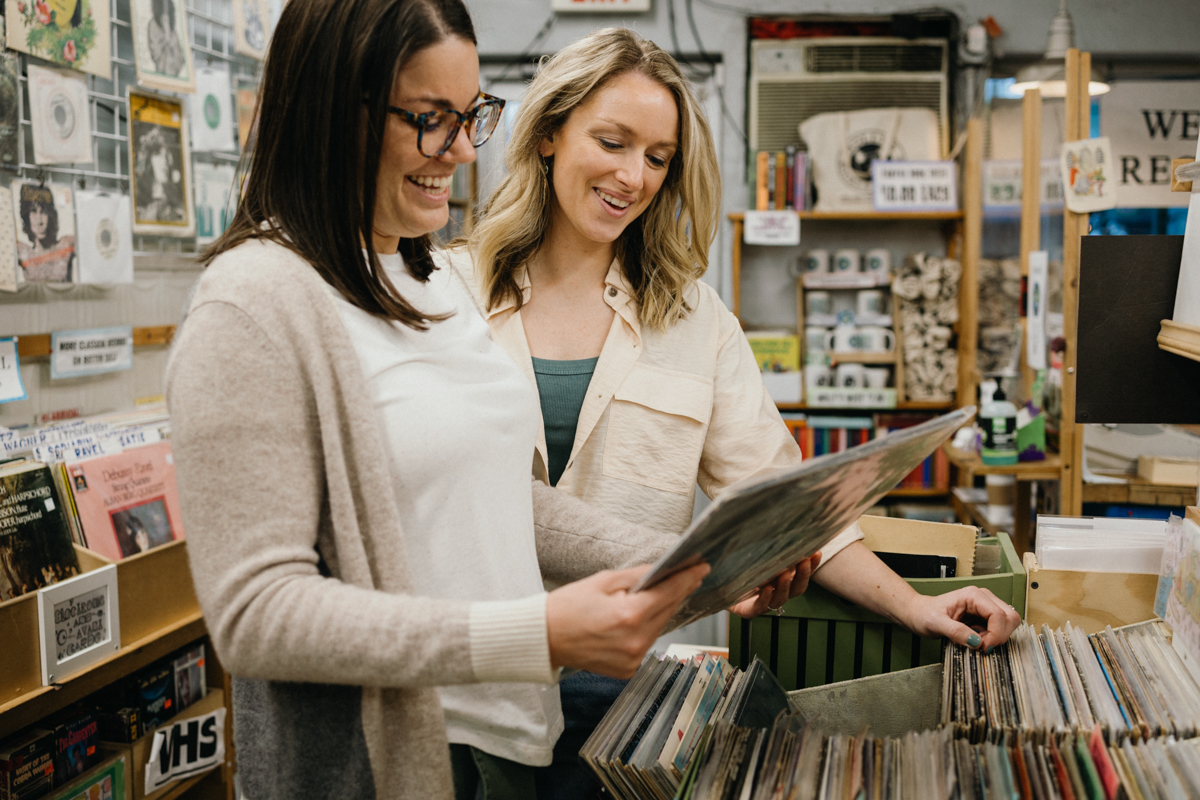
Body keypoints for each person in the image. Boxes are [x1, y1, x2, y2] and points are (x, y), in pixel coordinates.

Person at [165, 3, 719, 799]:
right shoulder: (254, 306)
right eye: (431, 120)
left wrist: (687, 561)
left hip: (509, 742)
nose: (462, 150)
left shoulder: (425, 280)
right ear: (334, 112)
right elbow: (257, 615)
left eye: (471, 117)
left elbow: (496, 497)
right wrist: (535, 633)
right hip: (390, 761)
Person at [458, 28, 1023, 797]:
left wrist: (915, 604)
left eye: (658, 158)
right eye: (614, 141)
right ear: (550, 132)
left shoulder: (695, 321)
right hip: (458, 684)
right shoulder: (446, 295)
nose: (634, 175)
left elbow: (793, 504)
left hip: (612, 696)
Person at [17, 182, 74, 281]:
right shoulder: (23, 251)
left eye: (43, 212)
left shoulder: (65, 244)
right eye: (34, 212)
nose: (39, 221)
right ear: (27, 216)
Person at [147, 0, 184, 76]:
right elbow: (155, 52)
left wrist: (169, 35)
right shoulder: (153, 24)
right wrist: (164, 40)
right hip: (161, 69)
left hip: (173, 71)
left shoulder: (173, 32)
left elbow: (180, 57)